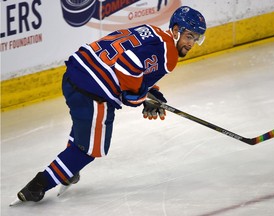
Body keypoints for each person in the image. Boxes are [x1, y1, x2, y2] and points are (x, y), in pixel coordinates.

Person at [14, 6, 206, 203]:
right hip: (92, 91)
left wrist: (152, 92)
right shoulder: (168, 55)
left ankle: (67, 170)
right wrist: (139, 98)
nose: (191, 43)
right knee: (90, 149)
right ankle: (38, 185)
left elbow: (135, 64)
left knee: (86, 128)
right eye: (189, 36)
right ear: (176, 31)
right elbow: (128, 65)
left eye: (196, 38)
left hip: (75, 74)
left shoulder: (152, 31)